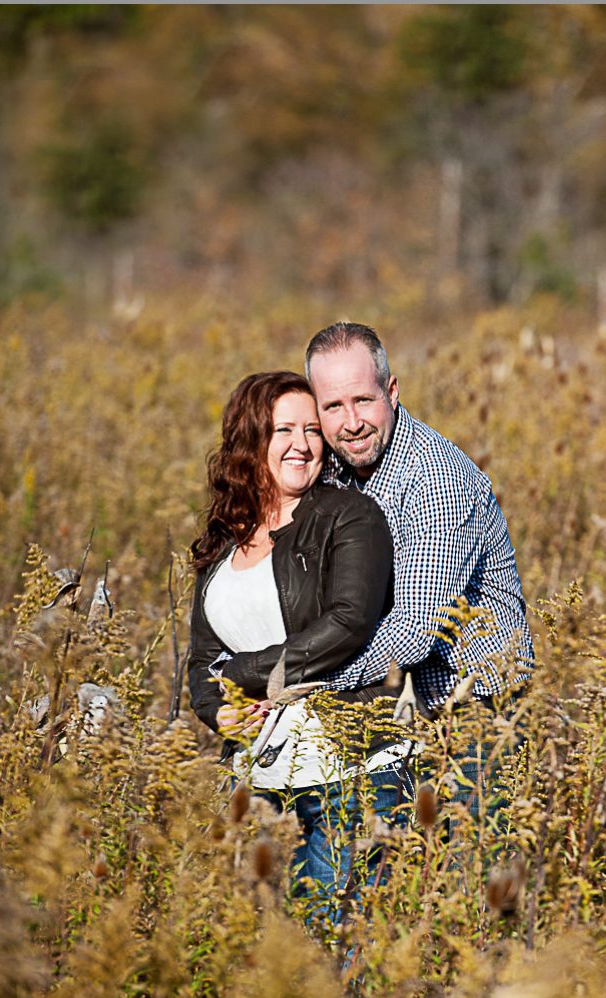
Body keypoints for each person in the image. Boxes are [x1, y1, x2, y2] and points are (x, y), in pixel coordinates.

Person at [217, 322, 535, 824]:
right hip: (381, 711)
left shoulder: (436, 478)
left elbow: (413, 630)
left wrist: (289, 686)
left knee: (468, 886)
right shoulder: (334, 465)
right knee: (374, 880)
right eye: (333, 407)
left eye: (363, 400)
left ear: (392, 391)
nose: (351, 422)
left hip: (467, 711)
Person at [186, 371, 409, 929]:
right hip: (257, 775)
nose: (303, 443)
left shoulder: (348, 516)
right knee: (258, 946)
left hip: (346, 767)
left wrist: (247, 674)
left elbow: (349, 622)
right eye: (284, 429)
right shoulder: (224, 536)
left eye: (313, 429)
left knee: (328, 943)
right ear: (250, 439)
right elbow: (200, 663)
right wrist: (223, 711)